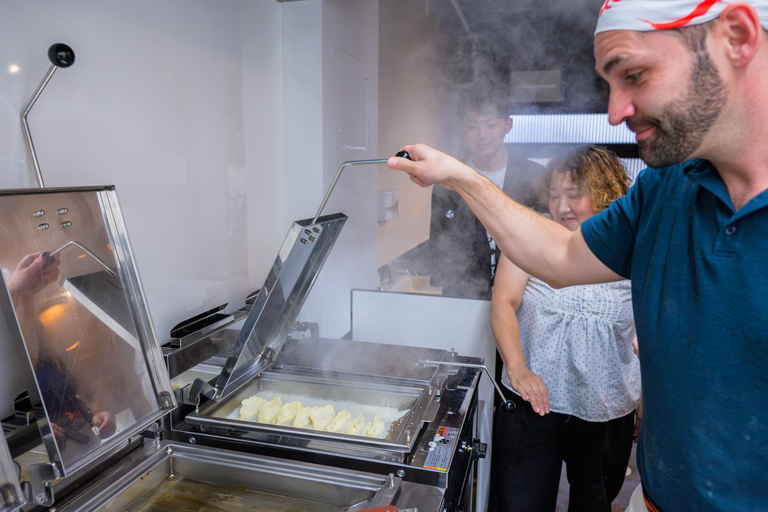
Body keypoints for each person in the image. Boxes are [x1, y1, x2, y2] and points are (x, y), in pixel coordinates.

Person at [388, 2, 768, 510]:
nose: (615, 112)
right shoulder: (662, 187)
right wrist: (458, 174)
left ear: (737, 38)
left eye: (634, 73)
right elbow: (561, 254)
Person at [490, 146, 641, 512]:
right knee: (521, 502)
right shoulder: (532, 236)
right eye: (555, 196)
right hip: (535, 400)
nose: (561, 207)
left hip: (607, 404)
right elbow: (503, 303)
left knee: (595, 500)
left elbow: (647, 322)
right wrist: (518, 369)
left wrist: (644, 401)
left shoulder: (631, 243)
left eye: (574, 196)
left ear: (605, 193)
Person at [429, 87, 546, 299]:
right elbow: (439, 249)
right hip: (463, 299)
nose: (482, 135)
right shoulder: (447, 180)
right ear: (463, 127)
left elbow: (547, 242)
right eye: (472, 126)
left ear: (508, 126)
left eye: (491, 125)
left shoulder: (535, 176)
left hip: (524, 299)